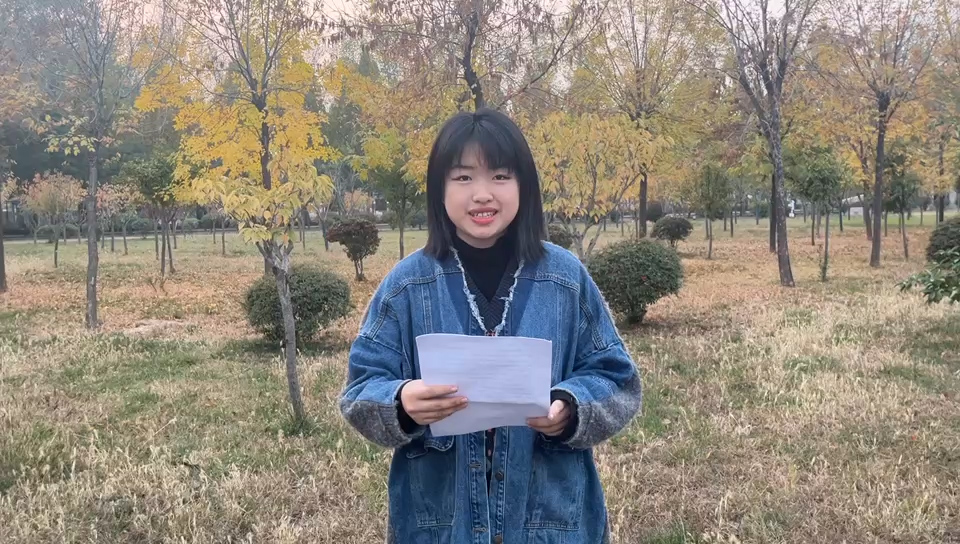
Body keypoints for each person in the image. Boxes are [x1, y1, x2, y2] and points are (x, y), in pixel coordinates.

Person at [339, 107, 641, 544]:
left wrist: (571, 407)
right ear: (439, 189)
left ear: (524, 186)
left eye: (500, 176)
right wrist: (401, 403)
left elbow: (617, 378)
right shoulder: (408, 285)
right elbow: (360, 389)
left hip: (549, 523)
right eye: (463, 177)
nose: (482, 194)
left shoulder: (564, 278)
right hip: (441, 524)